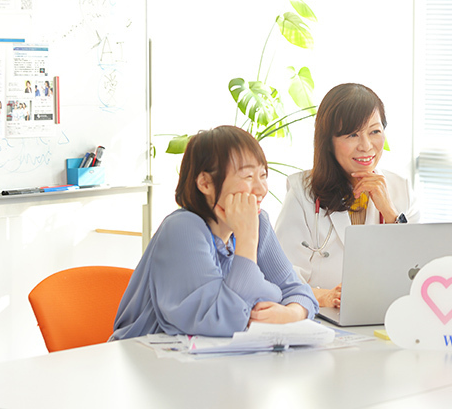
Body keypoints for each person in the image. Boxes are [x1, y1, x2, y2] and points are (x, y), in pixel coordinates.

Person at [111, 126, 317, 339]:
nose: (261, 189)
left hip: (214, 360)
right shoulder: (183, 228)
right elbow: (220, 320)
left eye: (263, 175)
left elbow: (301, 294)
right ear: (205, 183)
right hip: (147, 359)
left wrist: (290, 313)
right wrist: (247, 239)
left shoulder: (258, 223)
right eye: (247, 176)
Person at [275, 83, 420, 308]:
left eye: (375, 131)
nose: (366, 146)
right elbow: (282, 281)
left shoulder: (401, 189)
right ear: (329, 143)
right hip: (323, 321)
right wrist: (323, 297)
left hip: (386, 319)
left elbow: (419, 274)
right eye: (352, 134)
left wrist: (390, 213)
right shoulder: (302, 193)